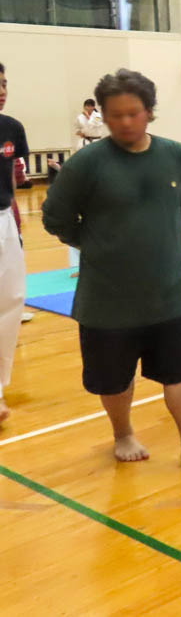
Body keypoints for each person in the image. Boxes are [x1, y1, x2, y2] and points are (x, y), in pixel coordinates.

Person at [41, 69, 181, 465]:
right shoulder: (86, 165)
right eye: (116, 115)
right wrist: (94, 243)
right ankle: (122, 433)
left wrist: (165, 235)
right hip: (107, 299)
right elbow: (55, 217)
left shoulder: (175, 156)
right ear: (104, 117)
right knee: (114, 377)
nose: (126, 121)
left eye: (134, 113)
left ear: (149, 112)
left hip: (170, 291)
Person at [0, 63, 28, 427]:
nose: (1, 90)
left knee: (10, 299)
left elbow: (10, 176)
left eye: (4, 84)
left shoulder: (11, 128)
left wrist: (14, 218)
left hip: (3, 217)